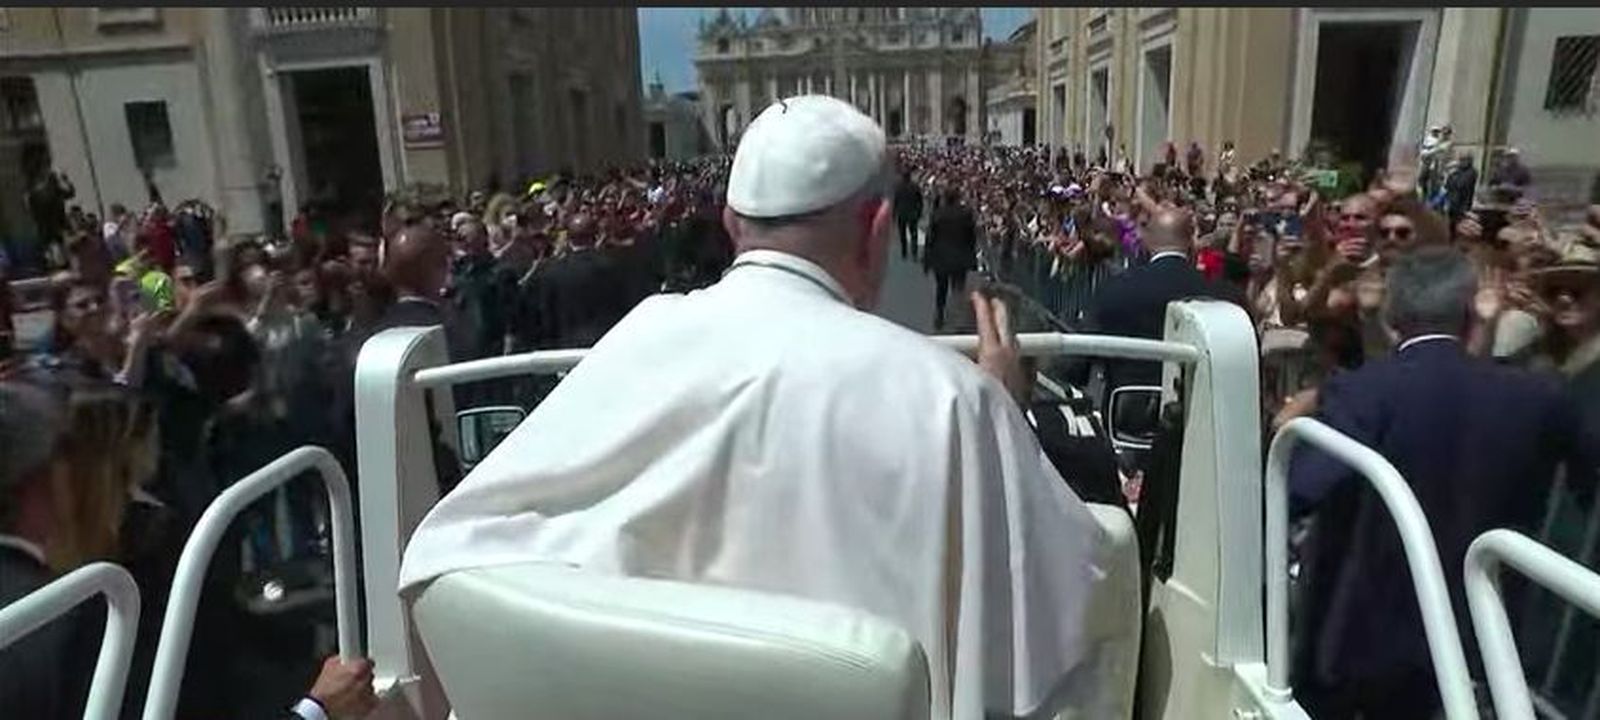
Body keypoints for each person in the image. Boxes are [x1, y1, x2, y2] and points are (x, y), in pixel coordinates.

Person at [398, 95, 1105, 720]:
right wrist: (1006, 414)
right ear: (878, 227)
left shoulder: (636, 339)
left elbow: (447, 554)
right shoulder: (951, 398)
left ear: (733, 225)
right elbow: (1060, 617)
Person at [1289, 247, 1591, 720]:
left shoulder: (1363, 391)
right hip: (1490, 645)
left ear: (1390, 318)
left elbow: (1301, 488)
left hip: (1370, 653)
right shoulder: (1539, 397)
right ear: (1472, 312)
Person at [1080, 207, 1250, 391]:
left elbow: (1078, 364)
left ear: (1147, 242)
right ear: (1191, 242)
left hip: (1128, 413)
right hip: (1200, 411)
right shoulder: (1226, 295)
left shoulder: (1113, 290)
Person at [925, 188, 978, 330]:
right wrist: (972, 259)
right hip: (960, 258)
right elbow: (971, 239)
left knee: (941, 289)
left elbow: (931, 239)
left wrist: (927, 260)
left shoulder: (937, 214)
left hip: (941, 257)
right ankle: (958, 320)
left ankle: (939, 315)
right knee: (958, 289)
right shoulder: (966, 214)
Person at [893, 168, 924, 260]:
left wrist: (894, 214)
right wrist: (919, 212)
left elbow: (896, 201)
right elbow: (920, 201)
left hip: (902, 212)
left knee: (902, 234)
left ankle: (904, 252)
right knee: (914, 234)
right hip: (913, 213)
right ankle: (914, 252)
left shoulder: (898, 187)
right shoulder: (915, 187)